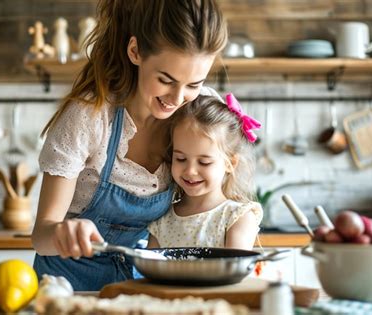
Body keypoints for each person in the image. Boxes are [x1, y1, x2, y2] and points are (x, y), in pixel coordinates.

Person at [31, 0, 228, 291]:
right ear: (135, 51)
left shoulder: (198, 114)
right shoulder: (91, 117)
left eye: (193, 84)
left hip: (139, 287)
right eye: (166, 80)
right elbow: (41, 235)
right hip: (64, 287)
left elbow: (214, 202)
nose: (177, 97)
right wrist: (63, 231)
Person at [147, 94, 263, 249]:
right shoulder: (162, 219)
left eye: (204, 162)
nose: (190, 171)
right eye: (181, 159)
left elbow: (234, 271)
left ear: (231, 163)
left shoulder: (236, 217)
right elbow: (152, 270)